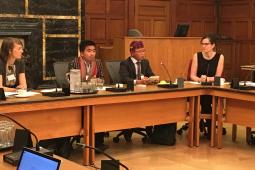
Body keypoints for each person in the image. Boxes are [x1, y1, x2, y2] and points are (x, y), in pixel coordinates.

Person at [70, 40, 107, 151]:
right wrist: (90, 81)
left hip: (94, 95)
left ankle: (98, 142)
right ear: (82, 53)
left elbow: (102, 79)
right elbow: (73, 82)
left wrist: (97, 81)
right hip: (78, 97)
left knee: (100, 110)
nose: (92, 53)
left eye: (94, 51)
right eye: (89, 51)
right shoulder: (74, 63)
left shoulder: (98, 63)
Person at [190, 33, 224, 139]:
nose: (203, 46)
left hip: (212, 89)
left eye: (206, 44)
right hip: (199, 87)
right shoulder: (197, 55)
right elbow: (192, 75)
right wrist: (200, 79)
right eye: (202, 44)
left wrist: (208, 79)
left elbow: (218, 77)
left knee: (206, 100)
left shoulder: (220, 57)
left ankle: (205, 127)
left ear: (213, 45)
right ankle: (209, 129)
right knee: (205, 101)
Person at [119, 40, 154, 140]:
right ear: (132, 52)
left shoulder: (145, 62)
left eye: (144, 51)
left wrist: (152, 79)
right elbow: (124, 79)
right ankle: (128, 129)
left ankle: (150, 129)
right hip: (130, 94)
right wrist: (138, 82)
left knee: (151, 107)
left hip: (144, 92)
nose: (143, 53)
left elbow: (151, 74)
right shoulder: (125, 63)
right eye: (140, 51)